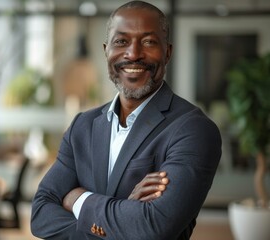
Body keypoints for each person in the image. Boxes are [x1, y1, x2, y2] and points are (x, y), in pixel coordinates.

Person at [31, 1, 222, 239]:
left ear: (168, 52)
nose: (133, 54)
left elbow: (154, 227)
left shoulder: (193, 130)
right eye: (121, 41)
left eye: (148, 42)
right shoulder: (83, 126)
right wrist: (121, 219)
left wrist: (78, 199)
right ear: (106, 51)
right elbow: (40, 214)